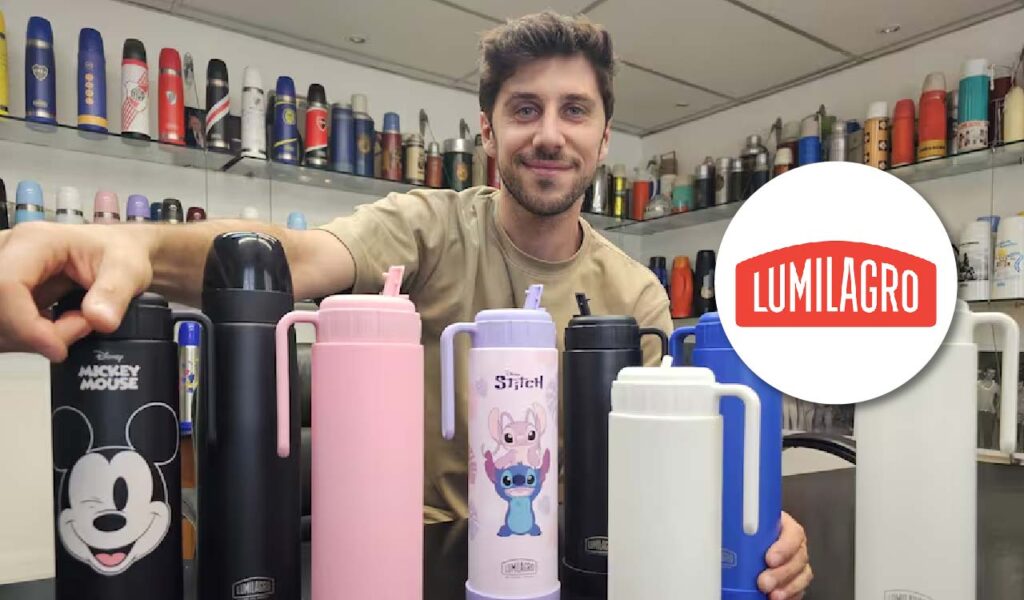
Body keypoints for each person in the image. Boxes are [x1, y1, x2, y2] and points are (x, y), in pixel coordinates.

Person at [0, 11, 811, 598]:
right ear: (488, 133)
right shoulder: (425, 228)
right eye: (523, 109)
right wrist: (126, 248)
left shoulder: (635, 296)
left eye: (575, 110)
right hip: (414, 564)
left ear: (603, 138)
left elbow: (676, 468)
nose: (549, 134)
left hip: (569, 569)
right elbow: (294, 258)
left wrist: (766, 528)